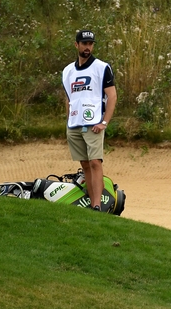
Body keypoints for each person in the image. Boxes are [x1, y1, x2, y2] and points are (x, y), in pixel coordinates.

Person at [62, 29, 117, 211]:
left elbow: (112, 96)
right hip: (75, 124)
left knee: (95, 162)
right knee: (85, 164)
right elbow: (69, 98)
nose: (88, 47)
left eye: (90, 44)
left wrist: (104, 122)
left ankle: (97, 206)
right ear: (76, 45)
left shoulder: (102, 68)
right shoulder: (68, 71)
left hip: (93, 123)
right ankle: (92, 205)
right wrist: (69, 118)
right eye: (84, 44)